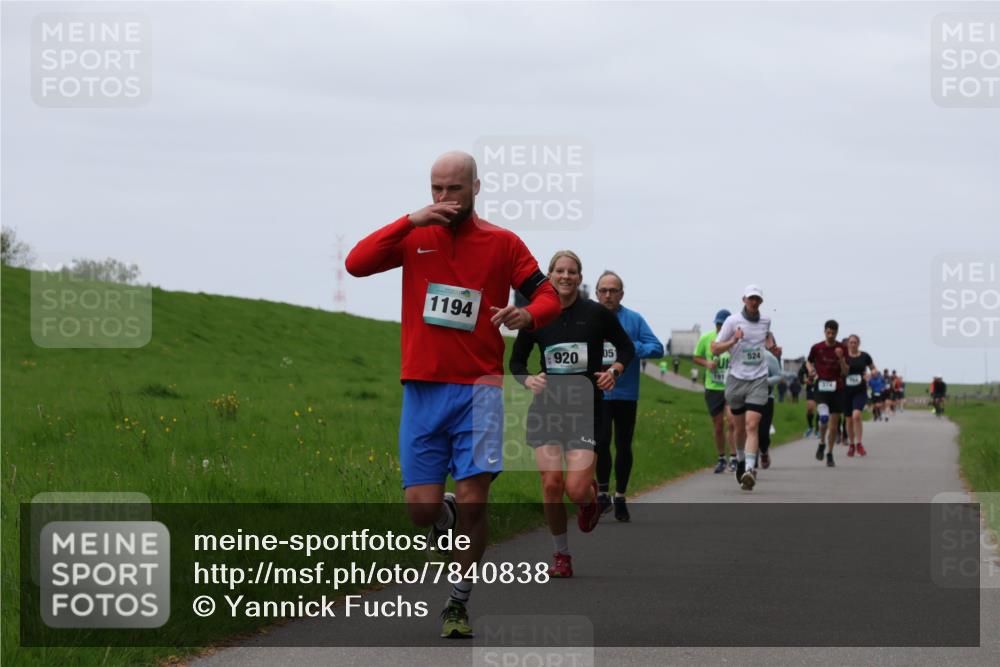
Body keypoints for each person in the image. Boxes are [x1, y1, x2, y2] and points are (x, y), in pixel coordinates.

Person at [345, 151, 561, 639]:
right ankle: (441, 511)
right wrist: (409, 220)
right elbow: (356, 264)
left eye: (454, 190)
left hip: (481, 391)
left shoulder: (503, 244)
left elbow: (546, 294)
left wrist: (528, 315)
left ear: (476, 188)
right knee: (421, 511)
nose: (444, 198)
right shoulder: (414, 236)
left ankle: (458, 604)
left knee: (475, 503)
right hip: (423, 387)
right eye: (436, 189)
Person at [510, 251, 634, 578]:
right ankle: (561, 555)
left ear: (580, 278)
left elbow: (626, 347)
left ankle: (589, 500)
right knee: (551, 484)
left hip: (585, 409)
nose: (565, 276)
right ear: (549, 275)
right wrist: (528, 379)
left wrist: (615, 371)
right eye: (559, 271)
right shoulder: (535, 316)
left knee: (575, 490)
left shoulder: (595, 314)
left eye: (571, 271)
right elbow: (517, 362)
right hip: (547, 409)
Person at [593, 270, 663, 521]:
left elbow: (657, 348)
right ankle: (602, 495)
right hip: (597, 392)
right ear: (596, 293)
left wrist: (631, 347)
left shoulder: (634, 319)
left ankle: (620, 496)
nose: (608, 295)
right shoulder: (589, 317)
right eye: (604, 290)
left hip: (625, 393)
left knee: (623, 444)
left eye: (613, 290)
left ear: (622, 293)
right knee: (600, 442)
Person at [711, 285, 782, 491]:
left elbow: (765, 340)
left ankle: (750, 469)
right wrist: (734, 340)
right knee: (738, 427)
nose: (753, 302)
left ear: (761, 302)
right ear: (744, 299)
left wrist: (773, 349)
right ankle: (741, 460)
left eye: (757, 299)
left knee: (753, 425)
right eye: (750, 298)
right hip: (736, 379)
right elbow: (715, 349)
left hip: (758, 379)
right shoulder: (732, 321)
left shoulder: (766, 321)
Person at [693, 308, 737, 474]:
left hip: (731, 386)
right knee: (718, 426)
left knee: (732, 421)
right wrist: (707, 364)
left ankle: (734, 457)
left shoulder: (735, 340)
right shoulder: (706, 338)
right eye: (718, 324)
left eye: (723, 324)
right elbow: (696, 357)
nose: (720, 327)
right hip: (713, 387)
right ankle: (721, 458)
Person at [806, 320, 848, 467]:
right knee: (824, 417)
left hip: (837, 389)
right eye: (828, 332)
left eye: (833, 333)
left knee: (834, 425)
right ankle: (821, 442)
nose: (830, 335)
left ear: (837, 333)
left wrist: (841, 358)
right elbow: (808, 361)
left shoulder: (842, 348)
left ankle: (829, 453)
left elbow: (846, 372)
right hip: (821, 387)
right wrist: (811, 370)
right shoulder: (817, 347)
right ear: (824, 331)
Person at [843, 334, 877, 457]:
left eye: (855, 342)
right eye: (851, 342)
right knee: (848, 420)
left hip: (860, 390)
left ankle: (859, 443)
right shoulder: (844, 357)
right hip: (846, 392)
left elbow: (874, 369)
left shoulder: (865, 356)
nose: (853, 344)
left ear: (859, 343)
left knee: (856, 415)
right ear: (847, 344)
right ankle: (851, 445)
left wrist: (870, 374)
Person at [757, 348, 783, 469]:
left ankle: (764, 451)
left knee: (763, 432)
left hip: (767, 398)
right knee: (749, 428)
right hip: (746, 397)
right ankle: (749, 460)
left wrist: (765, 382)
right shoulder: (742, 353)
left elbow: (778, 376)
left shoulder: (768, 357)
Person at [798, 361, 818, 437]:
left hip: (821, 387)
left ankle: (818, 429)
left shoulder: (822, 360)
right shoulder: (806, 363)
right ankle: (810, 427)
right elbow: (800, 374)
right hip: (810, 388)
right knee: (810, 408)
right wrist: (804, 381)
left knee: (820, 409)